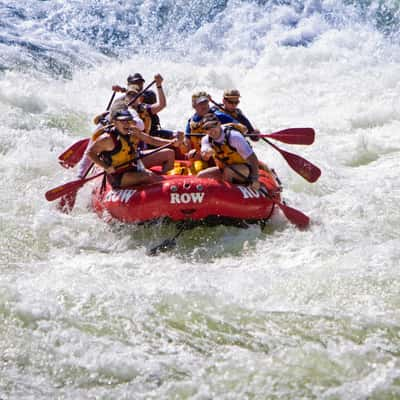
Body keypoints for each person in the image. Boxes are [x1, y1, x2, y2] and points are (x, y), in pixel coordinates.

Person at [86, 108, 183, 188]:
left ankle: (168, 188)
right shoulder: (107, 139)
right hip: (118, 175)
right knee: (148, 176)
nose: (126, 124)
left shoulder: (133, 131)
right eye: (122, 121)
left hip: (133, 166)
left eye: (128, 120)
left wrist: (170, 143)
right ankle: (169, 188)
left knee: (168, 154)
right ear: (115, 122)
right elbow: (90, 153)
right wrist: (106, 167)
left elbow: (151, 140)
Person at [197, 113, 261, 191]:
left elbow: (252, 158)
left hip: (245, 170)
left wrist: (255, 179)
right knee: (201, 176)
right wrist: (206, 153)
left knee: (228, 171)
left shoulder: (234, 137)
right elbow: (204, 153)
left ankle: (229, 194)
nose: (211, 130)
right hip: (224, 169)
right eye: (207, 128)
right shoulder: (206, 140)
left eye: (213, 125)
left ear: (219, 124)